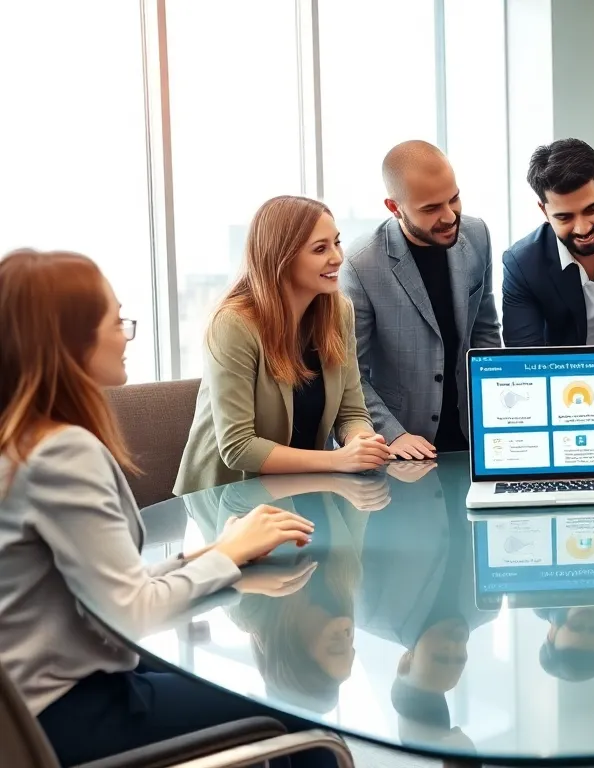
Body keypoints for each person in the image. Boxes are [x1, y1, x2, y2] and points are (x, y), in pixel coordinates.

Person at [0, 249, 335, 768]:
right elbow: (133, 611)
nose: (126, 334)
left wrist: (219, 552)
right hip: (66, 711)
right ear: (69, 341)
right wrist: (224, 558)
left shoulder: (18, 444)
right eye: (115, 321)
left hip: (29, 707)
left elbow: (107, 585)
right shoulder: (62, 453)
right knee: (299, 709)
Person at [176, 195, 393, 496]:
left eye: (337, 243)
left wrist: (361, 441)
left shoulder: (339, 312)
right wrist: (337, 460)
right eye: (320, 248)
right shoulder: (233, 324)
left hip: (305, 491)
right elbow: (238, 447)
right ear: (283, 258)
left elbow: (351, 412)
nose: (337, 257)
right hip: (229, 500)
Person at [341, 140, 502, 462]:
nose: (449, 216)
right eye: (430, 208)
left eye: (453, 199)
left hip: (473, 433)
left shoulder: (477, 233)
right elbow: (348, 372)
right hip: (403, 445)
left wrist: (496, 411)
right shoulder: (361, 264)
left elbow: (484, 328)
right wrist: (392, 433)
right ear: (394, 207)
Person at [502, 138, 594, 347]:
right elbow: (524, 359)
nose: (583, 229)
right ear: (544, 211)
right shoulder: (522, 265)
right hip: (560, 375)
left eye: (592, 209)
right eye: (564, 217)